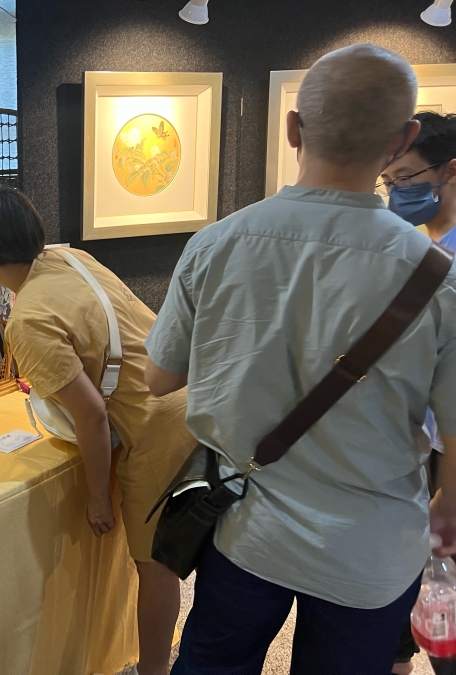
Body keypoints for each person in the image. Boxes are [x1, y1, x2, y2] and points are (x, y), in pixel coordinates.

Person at [143, 43, 456, 675]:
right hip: (372, 549)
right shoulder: (437, 277)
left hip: (246, 528)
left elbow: (159, 377)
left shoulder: (215, 245)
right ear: (403, 139)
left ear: (292, 128)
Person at [0, 187, 196, 675]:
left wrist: (99, 498)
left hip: (155, 428)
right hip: (190, 390)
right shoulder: (70, 257)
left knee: (156, 565)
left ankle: (153, 670)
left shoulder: (29, 320)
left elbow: (91, 415)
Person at [380, 111, 456, 675]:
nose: (397, 191)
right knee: (406, 598)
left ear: (450, 173)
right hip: (421, 442)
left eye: (407, 177)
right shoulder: (410, 245)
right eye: (389, 180)